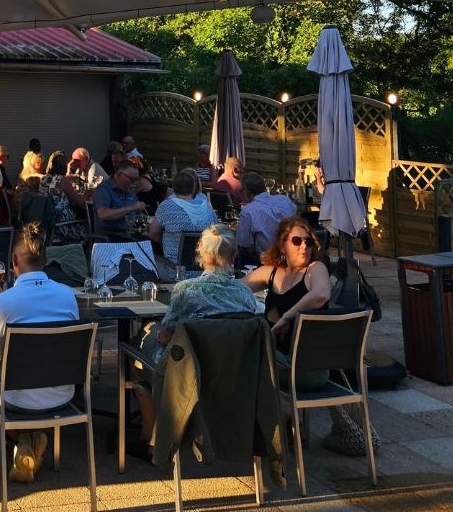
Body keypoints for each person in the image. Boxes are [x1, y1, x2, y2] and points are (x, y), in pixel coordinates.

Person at [128, 224, 260, 446]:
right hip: (232, 372)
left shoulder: (186, 290)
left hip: (187, 375)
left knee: (137, 345)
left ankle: (150, 434)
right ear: (233, 255)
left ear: (201, 253)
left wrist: (155, 333)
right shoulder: (245, 294)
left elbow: (165, 336)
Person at [0, 222, 79, 483]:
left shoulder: (5, 301)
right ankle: (28, 439)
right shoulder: (68, 296)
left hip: (17, 398)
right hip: (63, 392)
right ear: (46, 260)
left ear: (14, 261)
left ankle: (21, 438)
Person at [245, 217, 332, 385]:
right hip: (279, 361)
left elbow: (321, 295)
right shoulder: (272, 272)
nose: (304, 246)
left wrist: (285, 318)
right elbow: (234, 288)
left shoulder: (315, 269)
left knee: (241, 351)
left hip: (305, 369)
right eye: (297, 241)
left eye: (308, 241)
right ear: (282, 246)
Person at [149, 168, 215, 264]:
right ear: (194, 187)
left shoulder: (167, 206)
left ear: (173, 187)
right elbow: (217, 230)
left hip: (172, 266)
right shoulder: (206, 205)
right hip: (203, 265)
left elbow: (153, 234)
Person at [236, 172, 297, 261]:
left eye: (241, 190)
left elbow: (244, 244)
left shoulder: (248, 211)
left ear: (246, 191)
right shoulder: (284, 200)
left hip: (269, 261)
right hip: (293, 256)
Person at [91, 163, 149, 236]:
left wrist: (147, 221)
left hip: (130, 234)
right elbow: (103, 214)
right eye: (131, 179)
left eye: (136, 180)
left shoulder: (130, 189)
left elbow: (138, 214)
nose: (134, 183)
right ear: (118, 175)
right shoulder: (104, 189)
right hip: (110, 237)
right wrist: (131, 207)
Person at [40, 150, 87, 215]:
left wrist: (76, 176)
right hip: (61, 218)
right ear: (64, 166)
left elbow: (57, 180)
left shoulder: (43, 178)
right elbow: (79, 203)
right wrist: (88, 193)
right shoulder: (63, 180)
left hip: (46, 216)